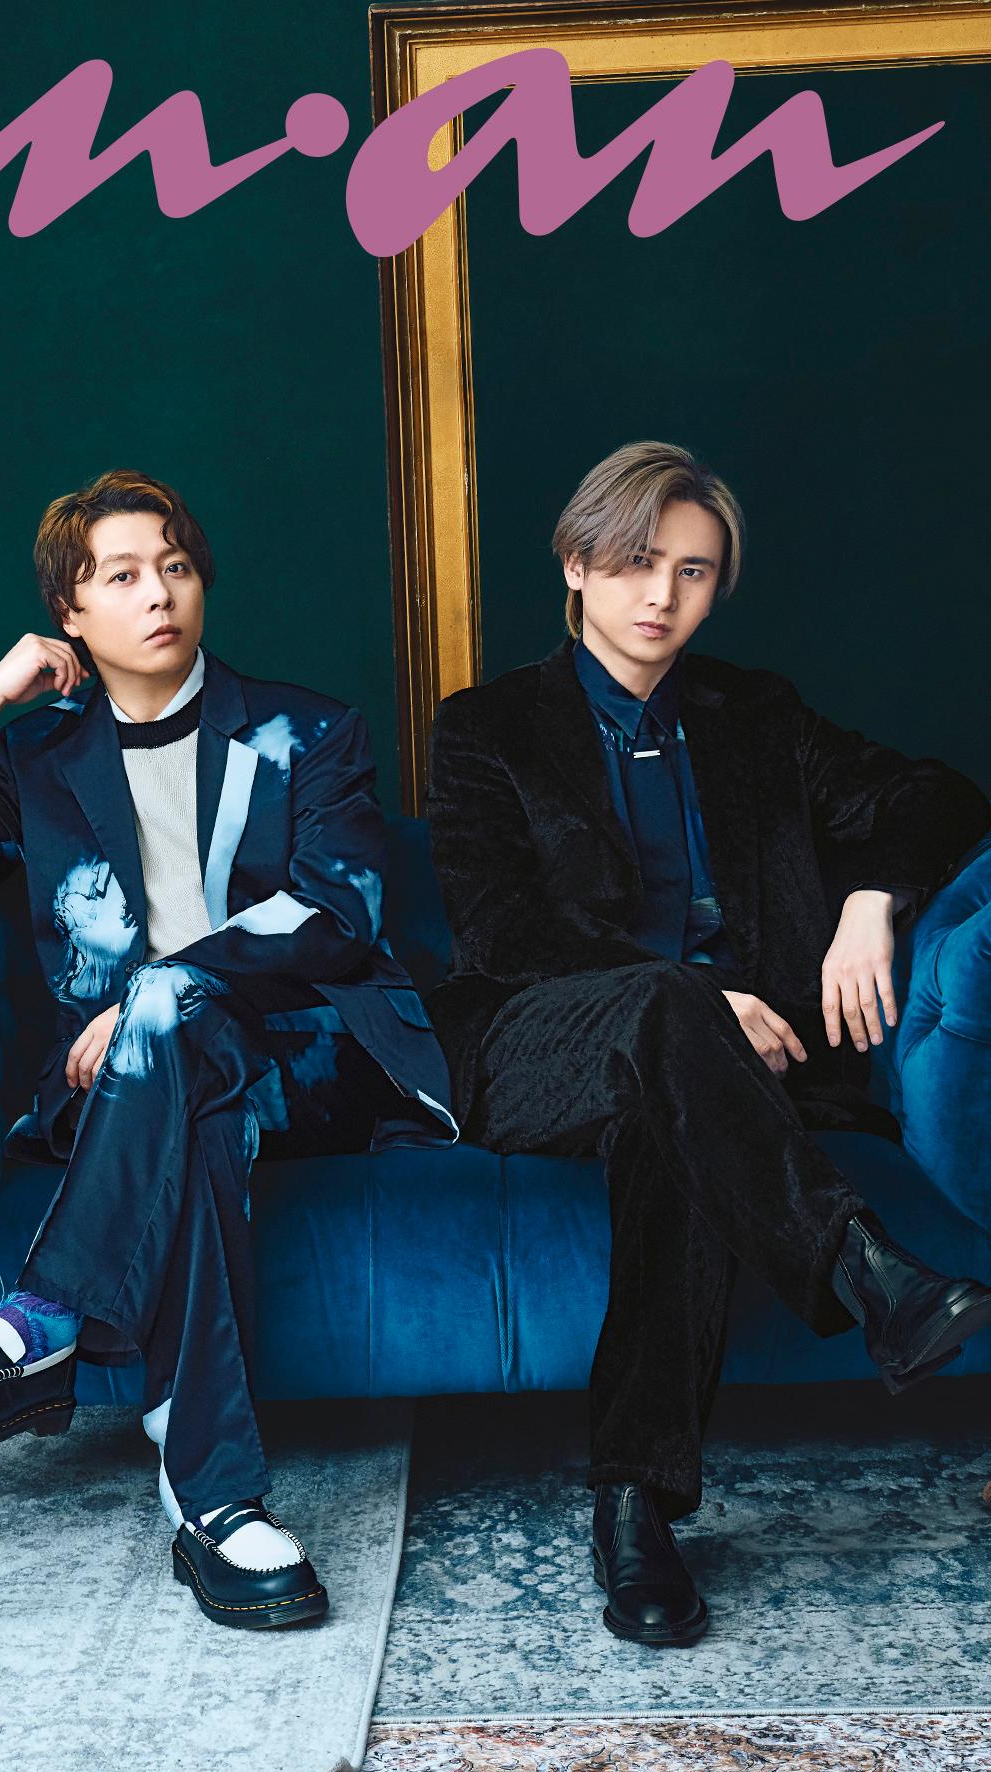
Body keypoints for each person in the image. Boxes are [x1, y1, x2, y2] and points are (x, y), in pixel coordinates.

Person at [0, 468, 457, 1629]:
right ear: (69, 613)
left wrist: (152, 998)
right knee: (192, 1106)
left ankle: (39, 1323)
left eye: (175, 567)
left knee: (176, 1014)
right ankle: (218, 1504)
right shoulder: (36, 762)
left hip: (308, 1061)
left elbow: (341, 915)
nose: (159, 594)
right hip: (132, 1095)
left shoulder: (309, 731)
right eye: (122, 576)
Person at [424, 438, 991, 1648]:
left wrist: (871, 901)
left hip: (721, 1079)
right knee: (671, 1017)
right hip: (534, 1045)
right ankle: (864, 1269)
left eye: (692, 571)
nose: (661, 597)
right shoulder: (486, 728)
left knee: (672, 1124)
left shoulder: (756, 716)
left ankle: (636, 1510)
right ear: (577, 566)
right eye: (636, 563)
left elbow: (940, 796)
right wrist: (696, 1000)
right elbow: (502, 932)